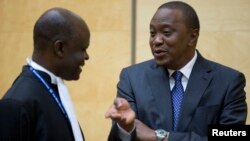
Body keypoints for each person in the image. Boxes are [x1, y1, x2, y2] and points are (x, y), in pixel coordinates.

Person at [105, 1, 247, 141]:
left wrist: (161, 137)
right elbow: (120, 137)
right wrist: (126, 129)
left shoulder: (229, 81)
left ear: (192, 36)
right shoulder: (132, 78)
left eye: (166, 32)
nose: (156, 41)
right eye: (152, 33)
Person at [0, 7, 90, 141]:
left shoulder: (53, 87)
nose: (86, 56)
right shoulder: (16, 103)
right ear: (60, 48)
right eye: (82, 49)